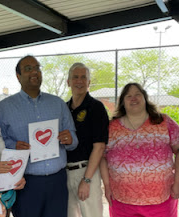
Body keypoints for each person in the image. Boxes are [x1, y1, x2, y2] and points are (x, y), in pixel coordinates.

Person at [0, 55, 78, 217]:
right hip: (24, 181)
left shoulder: (57, 103)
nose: (34, 72)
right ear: (18, 76)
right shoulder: (5, 107)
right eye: (28, 69)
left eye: (37, 68)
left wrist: (70, 139)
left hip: (57, 181)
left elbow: (73, 140)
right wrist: (13, 145)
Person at [100, 82, 179, 217]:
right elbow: (102, 157)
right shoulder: (111, 127)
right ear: (122, 102)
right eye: (128, 96)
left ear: (145, 98)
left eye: (137, 94)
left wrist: (178, 182)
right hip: (122, 199)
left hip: (161, 198)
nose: (133, 98)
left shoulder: (163, 122)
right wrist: (107, 186)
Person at [65, 63, 108, 217]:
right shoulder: (64, 109)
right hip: (65, 172)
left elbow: (100, 147)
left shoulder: (96, 107)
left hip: (86, 171)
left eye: (84, 77)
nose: (79, 81)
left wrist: (87, 180)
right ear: (68, 81)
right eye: (75, 77)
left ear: (89, 82)